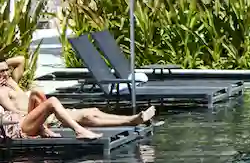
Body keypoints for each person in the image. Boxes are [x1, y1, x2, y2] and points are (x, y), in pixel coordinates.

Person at [0, 56, 155, 141]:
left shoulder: (12, 83)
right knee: (87, 115)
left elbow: (20, 59)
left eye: (7, 70)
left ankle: (131, 119)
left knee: (93, 111)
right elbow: (15, 115)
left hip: (44, 115)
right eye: (2, 72)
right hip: (35, 120)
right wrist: (40, 117)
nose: (5, 74)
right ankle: (131, 120)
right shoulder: (1, 91)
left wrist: (4, 66)